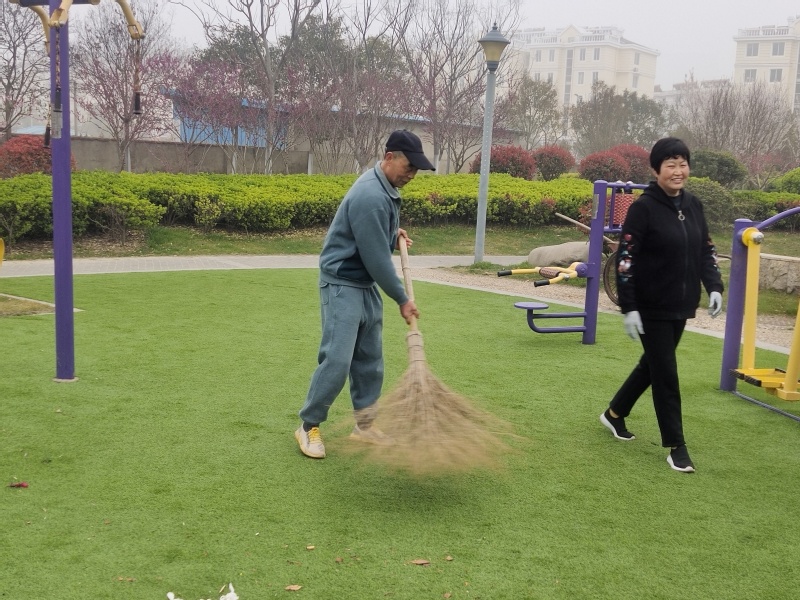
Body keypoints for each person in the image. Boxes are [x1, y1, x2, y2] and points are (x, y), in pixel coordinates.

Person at [295, 130, 435, 459]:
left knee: (370, 361)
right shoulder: (370, 194)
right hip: (342, 282)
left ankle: (365, 426)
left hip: (364, 284)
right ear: (389, 158)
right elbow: (375, 260)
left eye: (416, 170)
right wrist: (402, 298)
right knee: (338, 360)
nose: (412, 175)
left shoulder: (386, 188)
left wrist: (392, 233)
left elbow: (371, 238)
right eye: (409, 167)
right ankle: (308, 425)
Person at [599, 137, 724, 473]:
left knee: (652, 365)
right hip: (650, 306)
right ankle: (676, 446)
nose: (678, 171)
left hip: (681, 304)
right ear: (656, 170)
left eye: (683, 164)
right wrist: (629, 307)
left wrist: (714, 286)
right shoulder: (643, 208)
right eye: (671, 165)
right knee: (666, 373)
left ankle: (614, 413)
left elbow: (706, 250)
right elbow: (625, 258)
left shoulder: (693, 205)